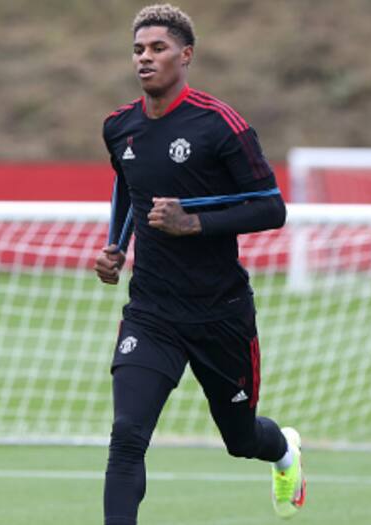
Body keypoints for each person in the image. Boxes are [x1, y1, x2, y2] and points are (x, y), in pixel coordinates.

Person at [94, 4, 305, 524]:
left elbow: (270, 206)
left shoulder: (220, 125)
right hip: (152, 313)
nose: (145, 58)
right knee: (126, 439)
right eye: (139, 50)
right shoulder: (119, 127)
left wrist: (195, 222)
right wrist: (114, 246)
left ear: (185, 55)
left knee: (241, 439)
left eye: (158, 48)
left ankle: (284, 453)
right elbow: (129, 185)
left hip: (220, 313)